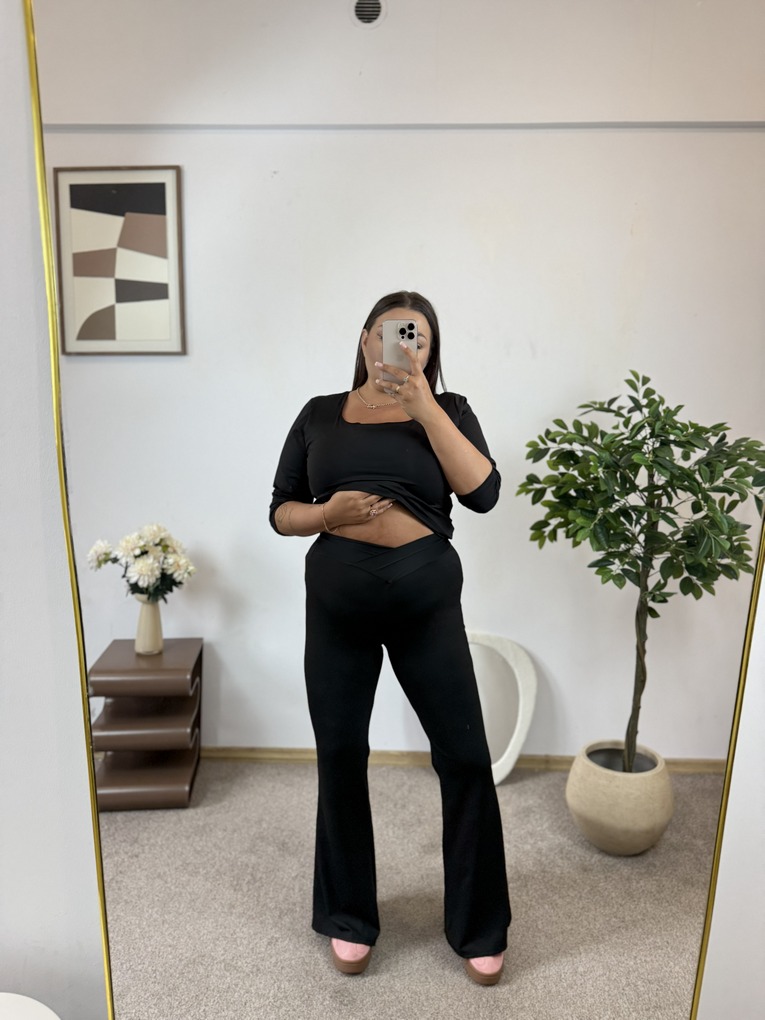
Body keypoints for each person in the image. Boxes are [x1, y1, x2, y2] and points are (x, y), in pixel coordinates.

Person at [269, 291, 511, 985]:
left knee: (464, 756)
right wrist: (327, 513)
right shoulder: (319, 413)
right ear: (366, 339)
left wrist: (425, 407)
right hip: (337, 599)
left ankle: (479, 926)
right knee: (341, 754)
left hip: (424, 595)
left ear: (430, 353)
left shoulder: (450, 409)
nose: (404, 345)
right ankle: (348, 916)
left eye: (419, 339)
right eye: (391, 333)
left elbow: (483, 493)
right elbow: (280, 510)